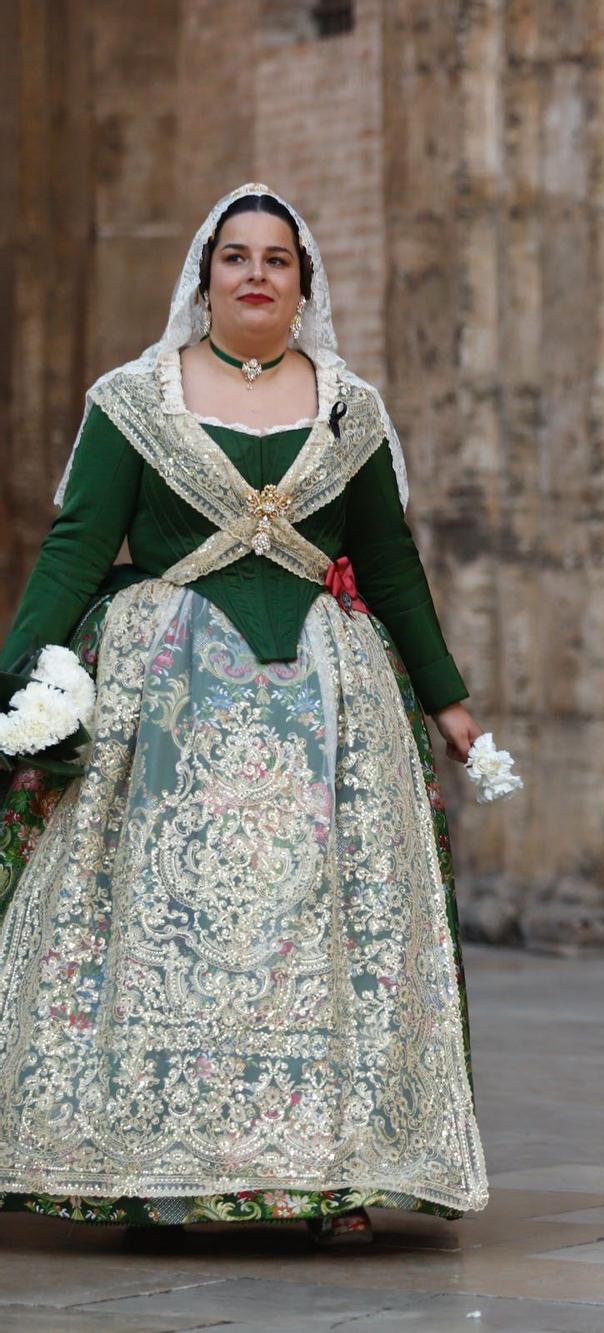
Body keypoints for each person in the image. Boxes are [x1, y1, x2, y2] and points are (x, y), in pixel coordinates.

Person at [0, 184, 488, 1242]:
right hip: (170, 697)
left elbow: (391, 563)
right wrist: (13, 671)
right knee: (174, 919)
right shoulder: (135, 399)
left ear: (303, 283)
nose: (256, 274)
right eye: (236, 257)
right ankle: (152, 1166)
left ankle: (333, 1172)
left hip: (327, 697)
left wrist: (447, 698)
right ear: (205, 275)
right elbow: (79, 546)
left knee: (325, 928)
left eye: (277, 259)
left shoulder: (349, 405)